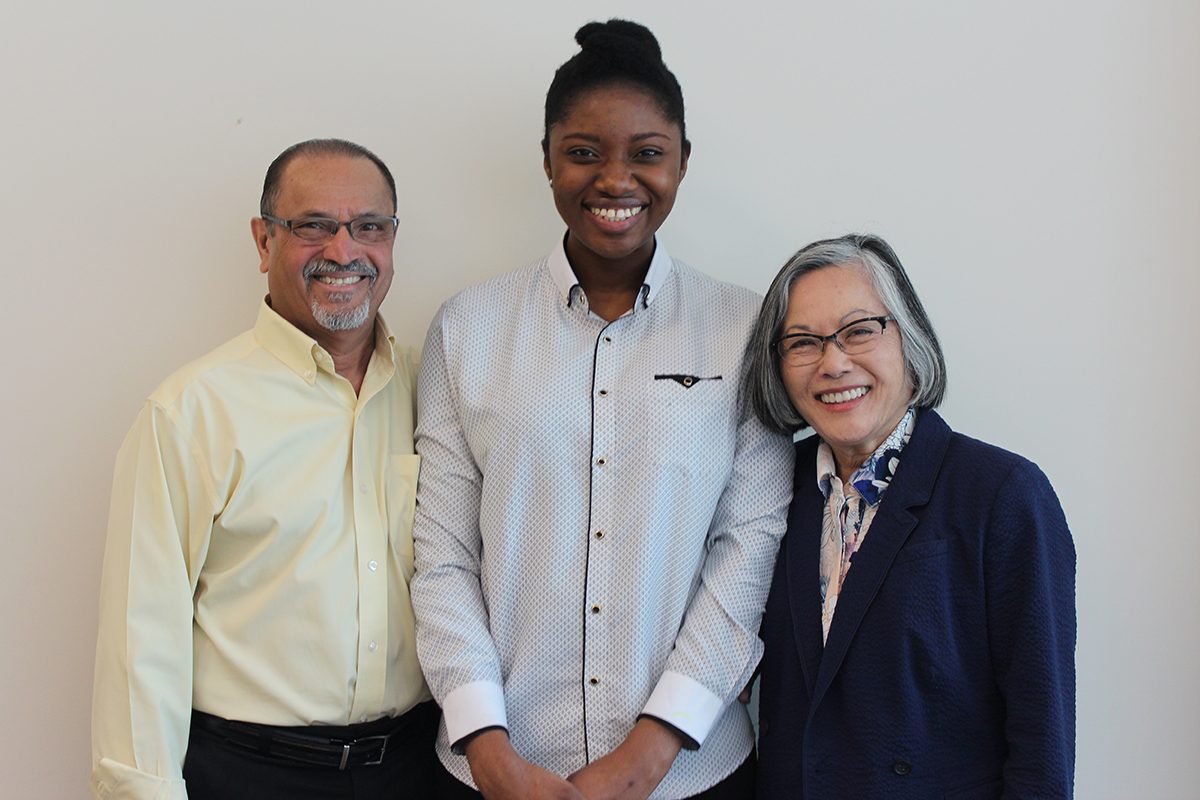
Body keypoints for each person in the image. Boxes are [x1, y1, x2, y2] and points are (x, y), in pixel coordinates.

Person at [410, 19, 793, 800]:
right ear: (547, 159)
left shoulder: (745, 328)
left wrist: (650, 752)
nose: (616, 180)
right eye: (584, 151)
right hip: (496, 773)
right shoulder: (467, 329)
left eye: (647, 153)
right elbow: (443, 555)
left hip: (693, 775)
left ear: (683, 160)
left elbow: (749, 549)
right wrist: (487, 746)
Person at [90, 139, 438, 800]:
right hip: (248, 775)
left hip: (418, 770)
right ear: (262, 241)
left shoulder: (441, 391)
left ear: (392, 240)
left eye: (369, 227)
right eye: (312, 226)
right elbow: (142, 646)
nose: (344, 251)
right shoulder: (191, 413)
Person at [745, 234, 1076, 798]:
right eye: (802, 342)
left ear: (909, 337)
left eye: (859, 331)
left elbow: (1040, 739)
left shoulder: (1002, 496)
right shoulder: (769, 486)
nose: (833, 362)